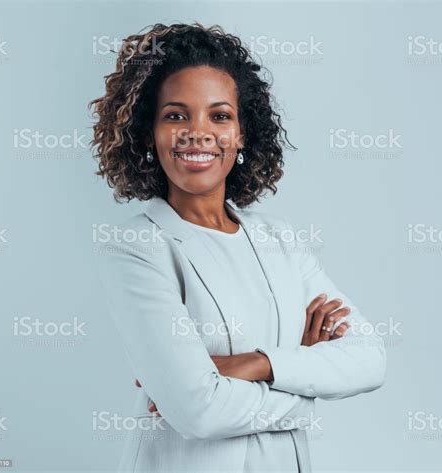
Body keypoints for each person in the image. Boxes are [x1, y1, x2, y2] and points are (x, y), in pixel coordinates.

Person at [90, 22, 387, 473]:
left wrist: (255, 364)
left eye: (219, 116)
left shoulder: (280, 240)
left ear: (242, 133)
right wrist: (305, 381)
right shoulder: (136, 246)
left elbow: (369, 359)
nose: (198, 133)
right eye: (175, 115)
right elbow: (199, 410)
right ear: (148, 134)